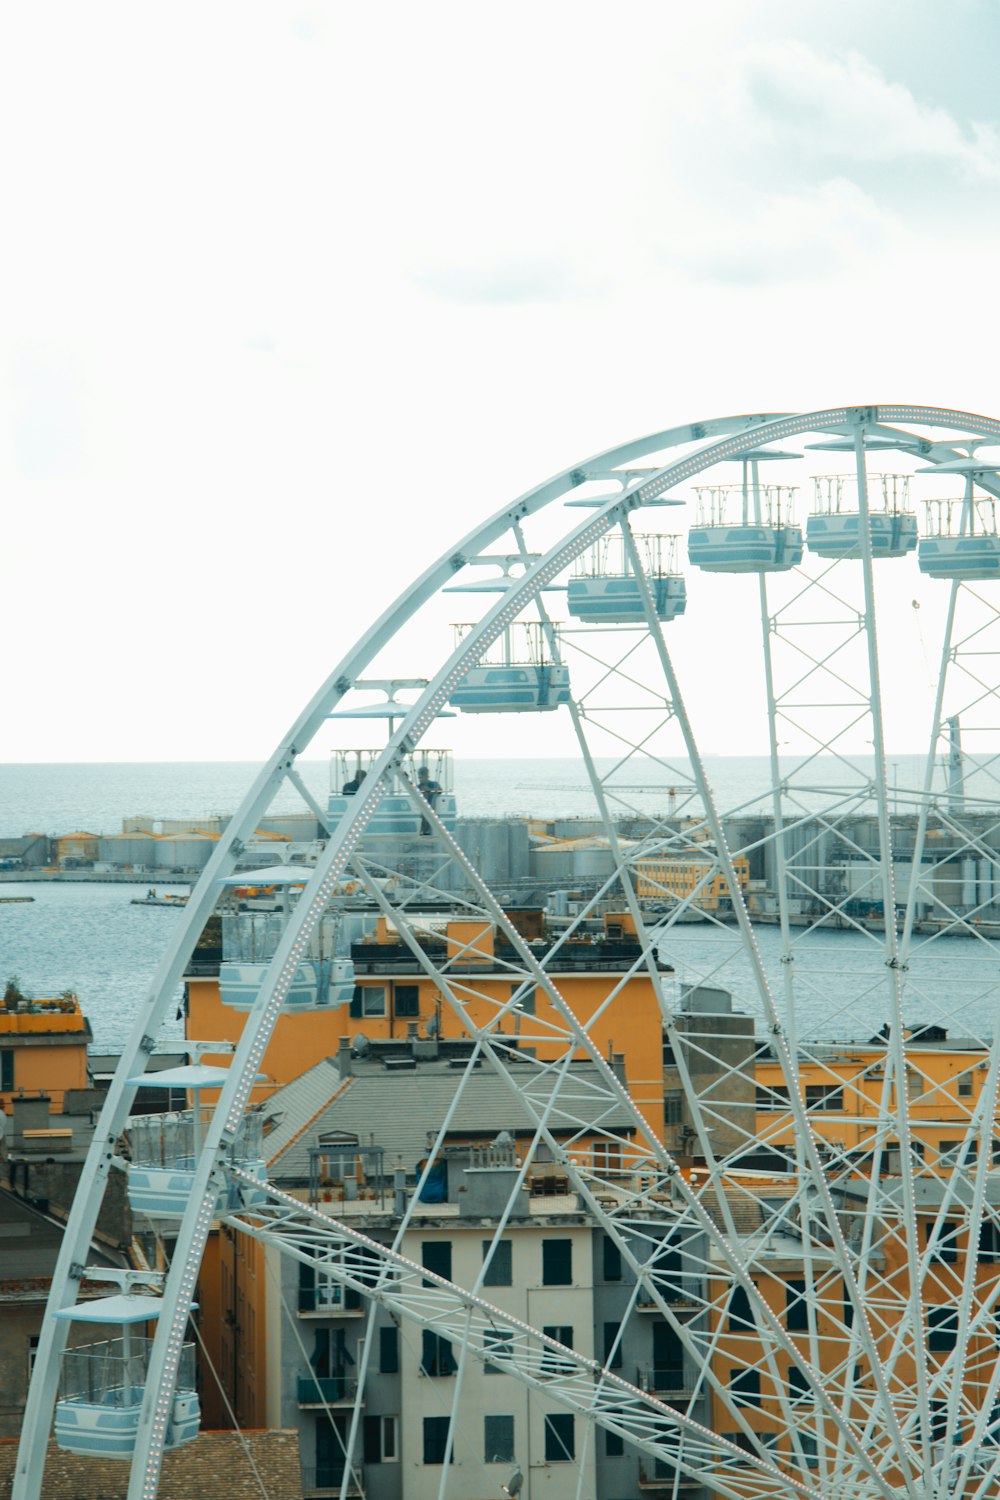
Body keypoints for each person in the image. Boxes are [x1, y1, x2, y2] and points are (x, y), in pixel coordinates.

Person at [416, 765, 442, 835]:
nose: (420, 780)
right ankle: (423, 830)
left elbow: (440, 791)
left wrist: (430, 790)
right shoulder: (418, 787)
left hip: (432, 808)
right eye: (419, 778)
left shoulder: (434, 785)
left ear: (426, 776)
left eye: (421, 777)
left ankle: (427, 829)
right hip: (422, 810)